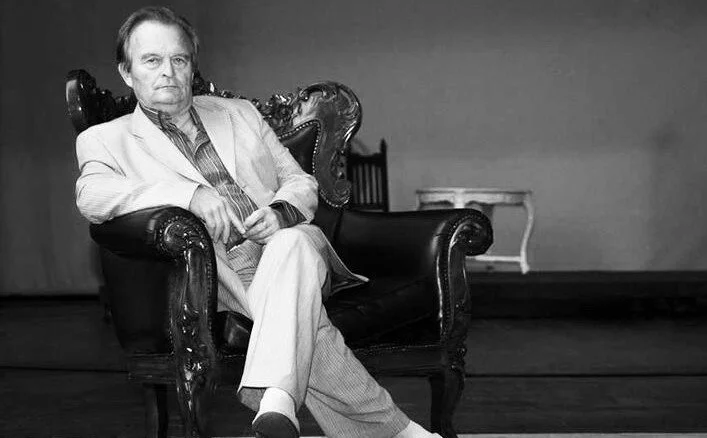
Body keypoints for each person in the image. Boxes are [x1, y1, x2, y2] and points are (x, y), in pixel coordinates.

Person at [74, 6, 439, 438]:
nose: (168, 72)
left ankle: (280, 400)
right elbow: (92, 195)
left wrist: (281, 212)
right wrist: (188, 195)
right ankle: (318, 410)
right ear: (127, 71)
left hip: (293, 249)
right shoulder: (106, 139)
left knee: (291, 243)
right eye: (151, 60)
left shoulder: (240, 113)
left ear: (192, 65)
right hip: (217, 273)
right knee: (301, 322)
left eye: (179, 59)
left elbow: (299, 181)